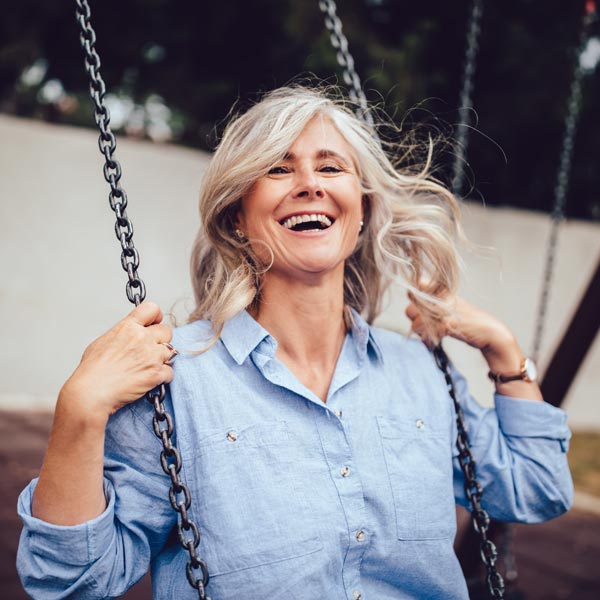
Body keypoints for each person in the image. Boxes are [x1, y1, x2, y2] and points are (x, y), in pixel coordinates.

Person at [17, 86, 572, 600]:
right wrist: (79, 412)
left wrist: (503, 351)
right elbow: (70, 582)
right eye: (279, 169)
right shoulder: (176, 380)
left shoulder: (418, 371)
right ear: (237, 217)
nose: (311, 183)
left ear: (361, 212)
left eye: (331, 167)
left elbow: (536, 487)